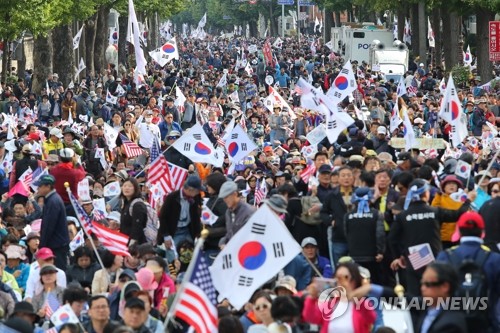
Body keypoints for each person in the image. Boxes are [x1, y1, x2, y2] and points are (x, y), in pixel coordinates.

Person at [389, 179, 471, 295]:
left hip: (413, 259)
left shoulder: (403, 215)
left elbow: (392, 239)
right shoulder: (435, 212)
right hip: (435, 259)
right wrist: (468, 200)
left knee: (415, 296)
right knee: (436, 292)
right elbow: (458, 215)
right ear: (426, 193)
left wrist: (398, 256)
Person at [436, 211, 500, 332]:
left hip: (451, 326)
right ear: (482, 233)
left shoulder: (444, 257)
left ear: (459, 231)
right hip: (486, 325)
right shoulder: (495, 260)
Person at [302, 261, 376, 333]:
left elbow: (371, 318)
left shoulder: (362, 303)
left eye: (346, 277)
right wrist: (311, 298)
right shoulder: (329, 304)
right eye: (338, 277)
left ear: (355, 280)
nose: (341, 281)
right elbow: (310, 318)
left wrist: (356, 295)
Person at [344, 187, 385, 284]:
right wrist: (380, 251)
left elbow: (346, 234)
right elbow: (380, 234)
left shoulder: (347, 216)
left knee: (357, 283)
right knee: (373, 283)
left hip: (354, 255)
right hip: (372, 256)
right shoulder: (376, 214)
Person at [34, 174, 70, 270]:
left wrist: (42, 246)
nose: (38, 188)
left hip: (57, 245)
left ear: (48, 186)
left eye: (40, 186)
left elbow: (48, 226)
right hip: (56, 243)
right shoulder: (52, 199)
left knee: (57, 271)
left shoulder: (53, 201)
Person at [158, 175, 204, 246]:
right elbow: (162, 217)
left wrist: (198, 234)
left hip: (187, 230)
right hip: (173, 231)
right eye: (198, 191)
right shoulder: (171, 197)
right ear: (190, 189)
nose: (198, 193)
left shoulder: (195, 197)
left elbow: (195, 217)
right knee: (173, 253)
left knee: (190, 253)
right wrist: (166, 236)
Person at [217, 181, 255, 246]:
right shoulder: (228, 212)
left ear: (234, 194)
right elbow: (229, 233)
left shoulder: (248, 212)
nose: (225, 200)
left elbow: (250, 237)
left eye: (226, 197)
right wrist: (223, 242)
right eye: (223, 198)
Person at [120, 178, 148, 245]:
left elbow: (138, 226)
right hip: (125, 241)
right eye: (125, 186)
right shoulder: (125, 203)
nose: (127, 188)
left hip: (137, 244)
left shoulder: (137, 205)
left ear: (135, 188)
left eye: (130, 186)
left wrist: (132, 243)